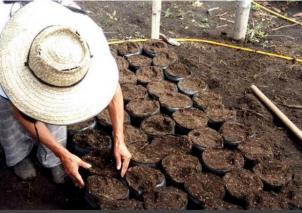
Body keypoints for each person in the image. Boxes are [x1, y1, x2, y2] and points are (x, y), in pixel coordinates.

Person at [0, 0, 132, 188]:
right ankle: (18, 156)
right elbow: (19, 112)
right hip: (10, 55)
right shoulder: (7, 56)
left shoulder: (87, 37)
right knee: (6, 117)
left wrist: (119, 139)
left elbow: (112, 89)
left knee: (54, 115)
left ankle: (51, 159)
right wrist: (64, 153)